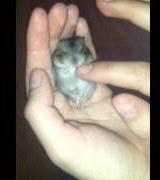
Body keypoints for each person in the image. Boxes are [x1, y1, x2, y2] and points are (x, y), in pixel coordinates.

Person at [24, 0, 150, 179]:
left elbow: (87, 62)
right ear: (59, 53)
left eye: (80, 53)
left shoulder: (85, 55)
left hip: (84, 90)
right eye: (66, 54)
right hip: (68, 89)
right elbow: (58, 64)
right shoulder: (58, 57)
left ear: (84, 48)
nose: (75, 59)